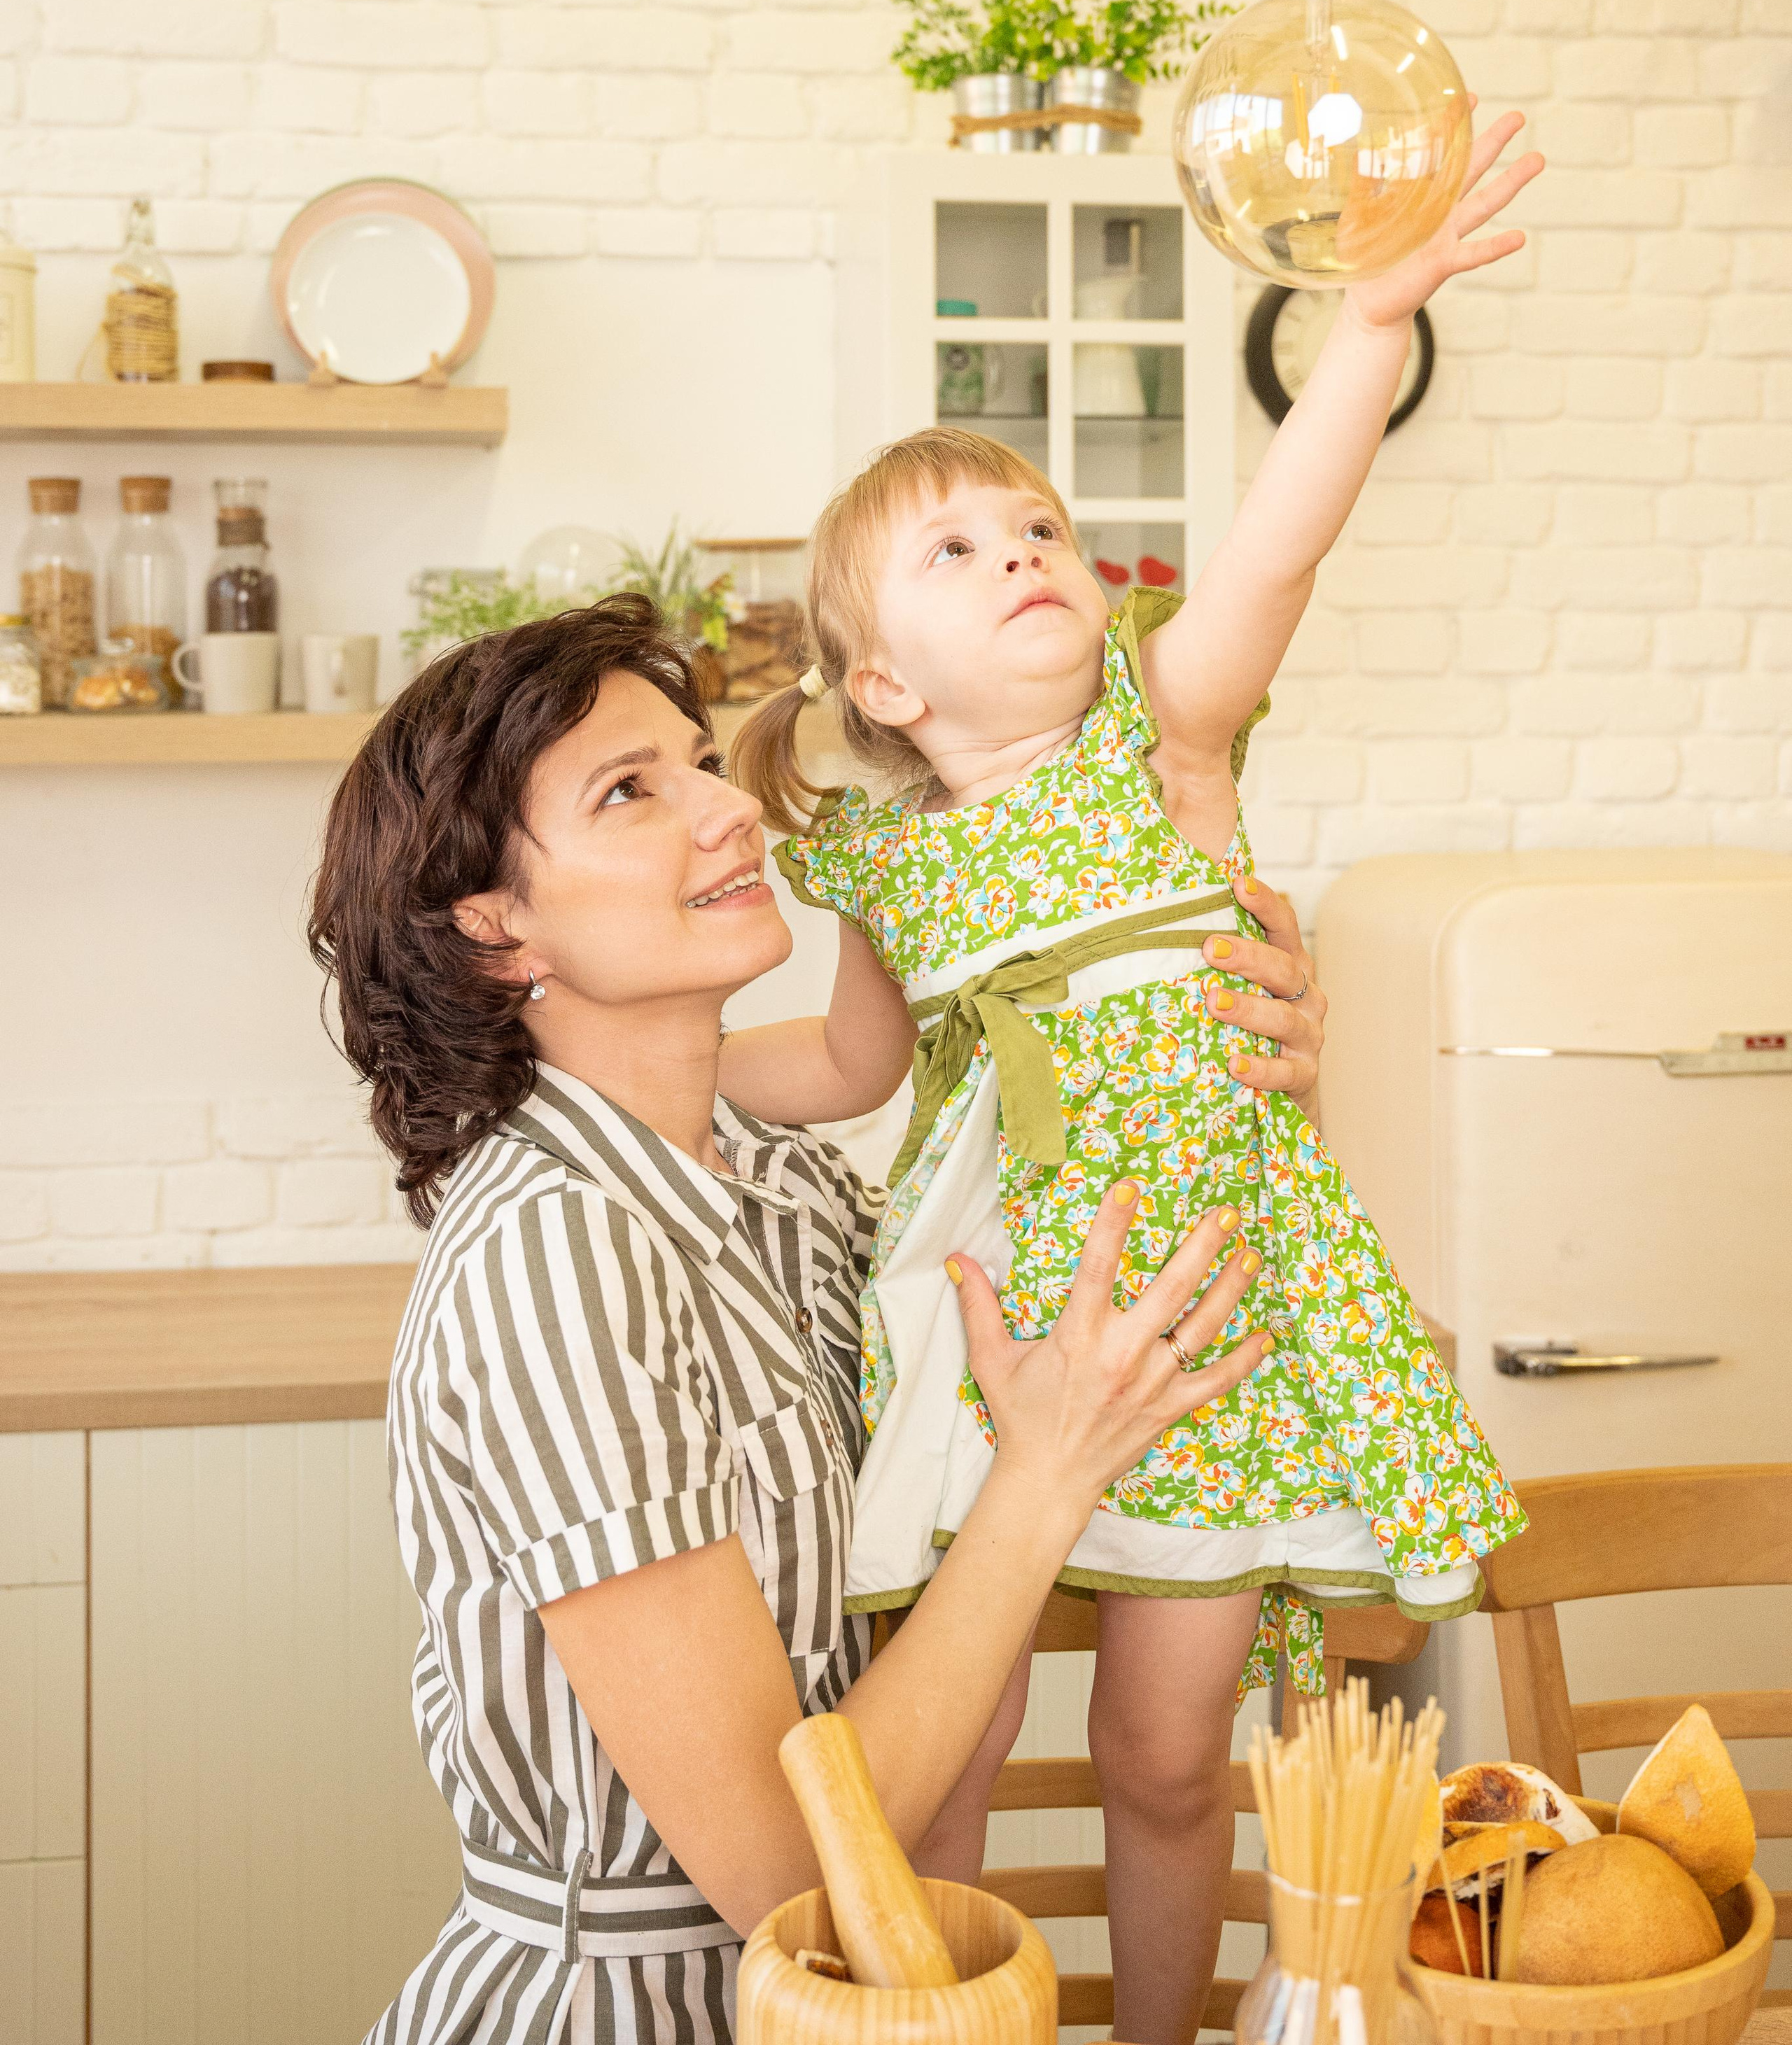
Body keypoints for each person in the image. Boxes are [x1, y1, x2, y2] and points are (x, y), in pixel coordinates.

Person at [727, 112, 1544, 2045]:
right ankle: (940, 2024)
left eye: (1039, 533)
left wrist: (1365, 329)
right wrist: (643, 1074)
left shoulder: (1161, 738)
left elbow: (1280, 542)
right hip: (992, 1325)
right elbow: (850, 1060)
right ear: (890, 691)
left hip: (1205, 1317)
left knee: (1173, 1756)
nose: (1022, 553)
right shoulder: (886, 859)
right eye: (956, 549)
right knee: (947, 1746)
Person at [309, 594, 1330, 2045]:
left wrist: (1250, 1076)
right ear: (494, 935)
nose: (726, 812)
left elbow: (1096, 1319)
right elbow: (789, 1873)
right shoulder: (554, 1259)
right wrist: (1045, 1483)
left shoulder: (783, 1186)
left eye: (698, 763)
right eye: (629, 792)